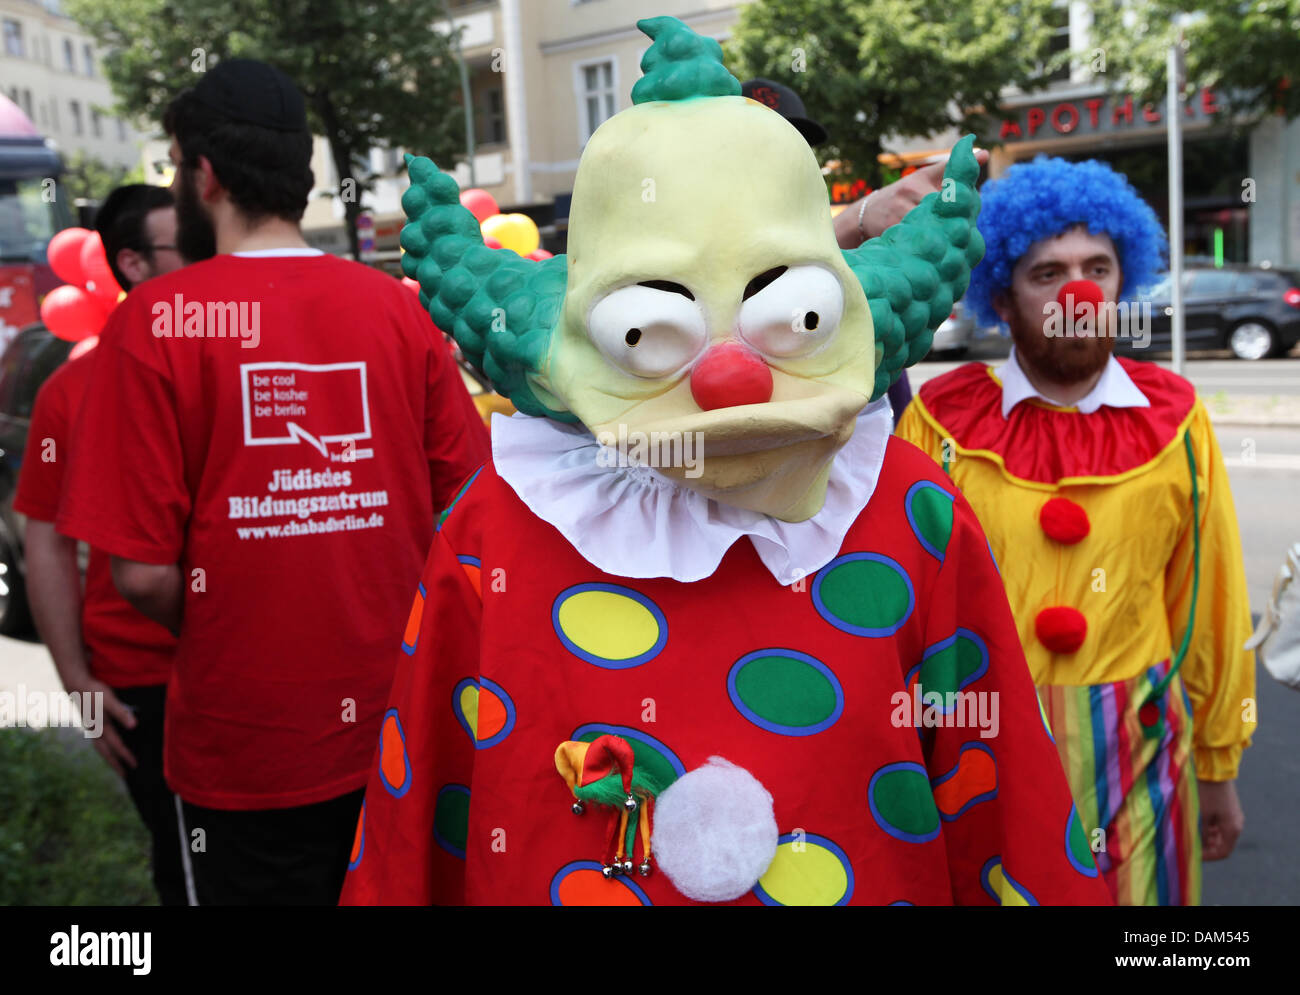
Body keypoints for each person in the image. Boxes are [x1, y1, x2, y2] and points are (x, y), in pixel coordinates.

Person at [340, 17, 1111, 907]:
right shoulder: (496, 526)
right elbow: (427, 798)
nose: (727, 379)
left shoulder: (908, 509)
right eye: (648, 326)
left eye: (785, 315)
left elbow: (995, 782)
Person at [56, 59, 490, 905]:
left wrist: (237, 610)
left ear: (204, 175)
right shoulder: (396, 307)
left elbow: (139, 573)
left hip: (245, 751)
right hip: (402, 728)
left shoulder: (154, 321)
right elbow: (473, 505)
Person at [896, 155, 1256, 905]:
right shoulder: (941, 418)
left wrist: (1218, 766)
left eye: (1098, 266)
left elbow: (1209, 600)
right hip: (988, 745)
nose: (1078, 294)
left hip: (1141, 751)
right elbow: (911, 611)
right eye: (1047, 273)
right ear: (1003, 292)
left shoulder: (1176, 416)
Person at [16, 184, 187, 904]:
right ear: (132, 263)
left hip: (251, 673)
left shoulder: (242, 361)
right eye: (188, 246)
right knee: (182, 867)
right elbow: (46, 544)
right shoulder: (73, 387)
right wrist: (80, 690)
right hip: (140, 686)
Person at [740, 78, 989, 425]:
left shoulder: (866, 308)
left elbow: (892, 435)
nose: (779, 169)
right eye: (752, 148)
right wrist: (855, 219)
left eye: (795, 149)